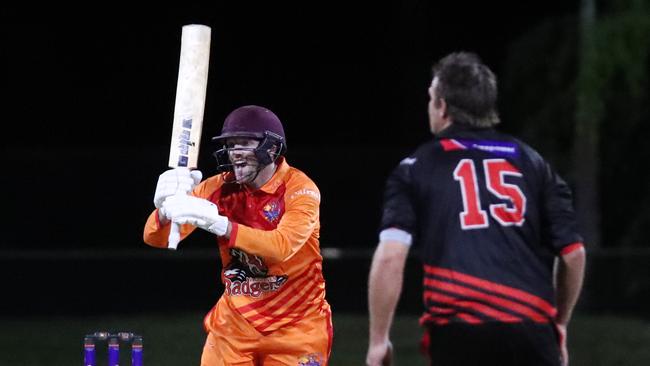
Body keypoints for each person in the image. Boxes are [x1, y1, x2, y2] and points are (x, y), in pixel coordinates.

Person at [366, 52, 586, 366]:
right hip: (532, 330)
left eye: (431, 98)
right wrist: (559, 324)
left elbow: (390, 256)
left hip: (460, 332)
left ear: (442, 106)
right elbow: (574, 254)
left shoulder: (416, 167)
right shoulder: (534, 163)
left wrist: (378, 341)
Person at [144, 105, 333, 366]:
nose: (236, 154)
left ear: (271, 148)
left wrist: (220, 225)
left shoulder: (300, 189)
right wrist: (165, 209)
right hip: (235, 325)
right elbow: (156, 238)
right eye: (232, 145)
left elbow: (282, 247)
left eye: (244, 144)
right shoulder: (219, 187)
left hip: (298, 325)